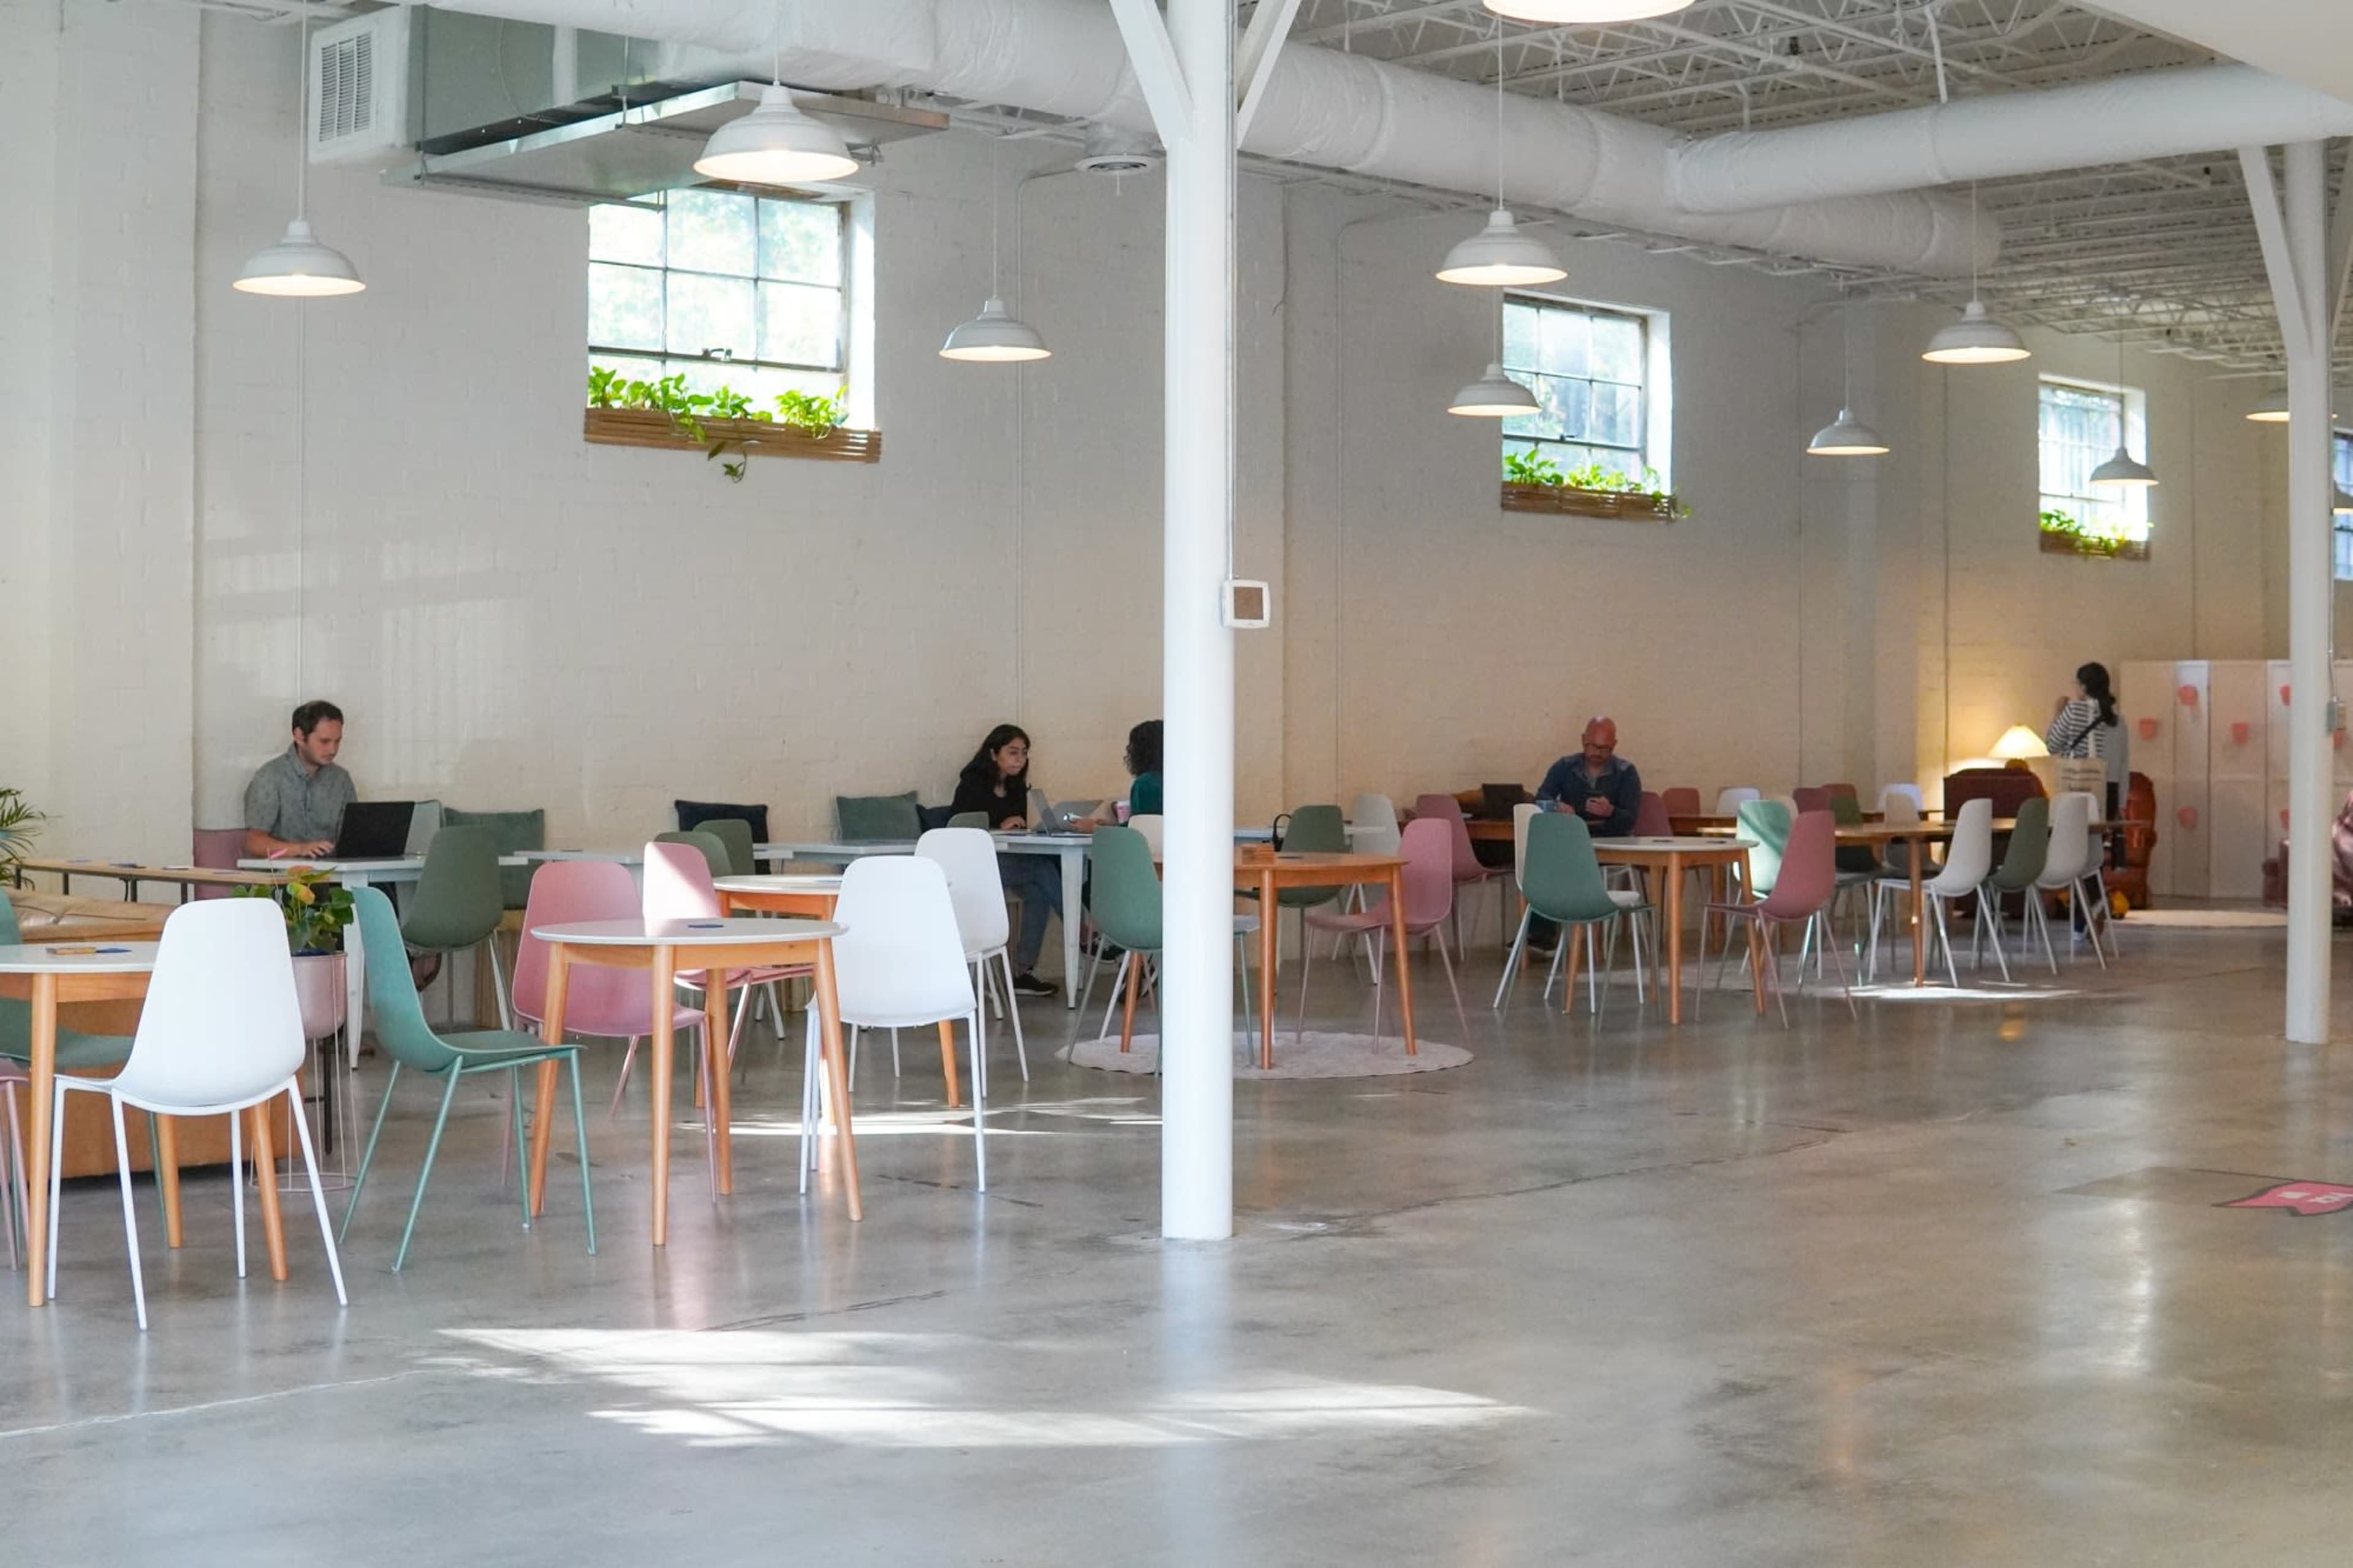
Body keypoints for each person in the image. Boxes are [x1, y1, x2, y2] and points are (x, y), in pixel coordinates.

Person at [947, 724, 1061, 998]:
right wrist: (1000, 823)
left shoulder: (1016, 788)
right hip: (974, 865)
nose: (1020, 759)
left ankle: (1023, 970)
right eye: (1012, 752)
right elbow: (964, 831)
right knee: (1042, 870)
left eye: (1023, 753)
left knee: (1039, 890)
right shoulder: (972, 784)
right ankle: (1085, 932)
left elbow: (1014, 830)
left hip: (1006, 862)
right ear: (993, 753)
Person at [243, 699, 354, 858]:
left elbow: (351, 838)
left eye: (338, 741)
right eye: (324, 741)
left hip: (332, 877)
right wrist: (301, 849)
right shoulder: (270, 776)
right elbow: (254, 842)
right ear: (300, 736)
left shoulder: (341, 779)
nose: (333, 750)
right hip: (281, 878)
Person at [2045, 662, 2128, 821]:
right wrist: (2121, 804)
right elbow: (2123, 764)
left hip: (2077, 785)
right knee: (2100, 843)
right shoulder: (2119, 720)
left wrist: (2057, 713)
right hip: (2110, 791)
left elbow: (2052, 745)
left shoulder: (2073, 710)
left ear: (2083, 687)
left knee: (2075, 842)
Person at [1536, 716, 1641, 838]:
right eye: (1593, 746)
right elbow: (1541, 796)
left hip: (1613, 837)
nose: (1598, 753)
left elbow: (1631, 819)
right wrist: (1556, 805)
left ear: (1614, 744)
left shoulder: (1626, 772)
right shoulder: (1565, 766)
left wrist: (1611, 811)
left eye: (1604, 748)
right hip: (1571, 835)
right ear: (1583, 740)